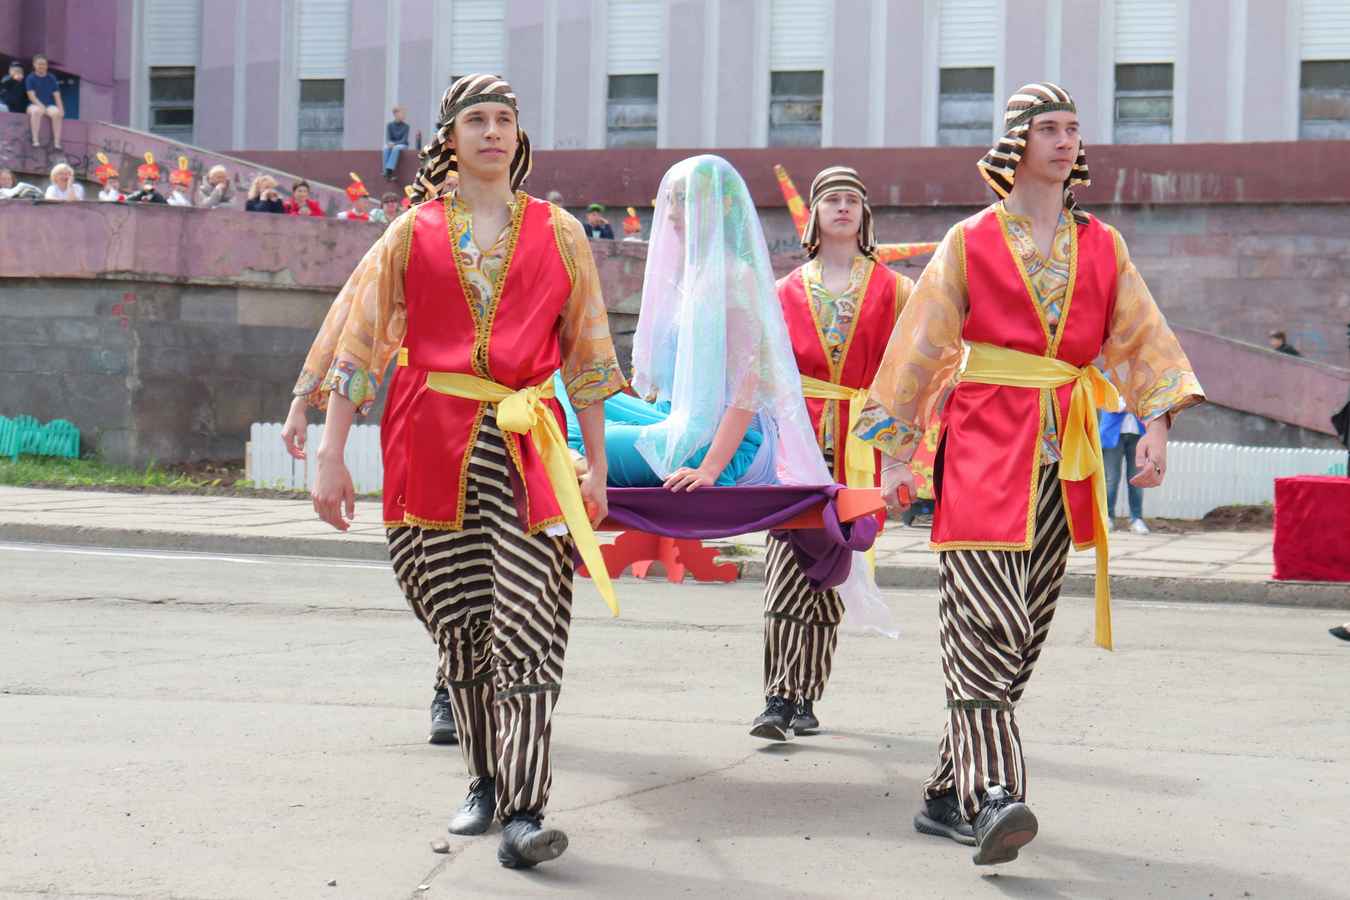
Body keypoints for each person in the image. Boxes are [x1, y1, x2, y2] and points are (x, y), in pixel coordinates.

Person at [856, 82, 1204, 867]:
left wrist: (1156, 424)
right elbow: (922, 345)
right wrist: (897, 454)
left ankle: (946, 791)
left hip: (1066, 458)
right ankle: (994, 796)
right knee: (987, 621)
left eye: (1073, 128)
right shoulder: (970, 240)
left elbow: (1140, 336)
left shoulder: (1104, 245)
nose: (1065, 140)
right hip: (984, 445)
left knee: (1027, 632)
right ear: (1016, 144)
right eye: (1049, 128)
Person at [284, 73, 624, 870]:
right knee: (461, 626)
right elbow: (361, 343)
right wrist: (331, 454)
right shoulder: (412, 233)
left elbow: (589, 354)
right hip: (430, 447)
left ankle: (526, 811)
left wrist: (599, 467)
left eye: (504, 119)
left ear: (518, 136)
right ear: (451, 138)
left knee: (529, 625)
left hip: (530, 448)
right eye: (477, 120)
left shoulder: (561, 232)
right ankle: (483, 780)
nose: (493, 131)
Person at [747, 166, 913, 741]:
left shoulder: (896, 291)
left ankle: (806, 696)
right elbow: (762, 377)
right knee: (783, 568)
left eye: (851, 200)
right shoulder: (783, 292)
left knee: (833, 572)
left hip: (859, 450)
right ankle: (776, 696)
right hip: (795, 450)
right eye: (831, 200)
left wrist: (899, 458)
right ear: (813, 215)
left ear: (865, 216)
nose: (842, 207)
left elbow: (908, 378)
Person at [1100, 408, 1148, 533]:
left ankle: (1136, 519)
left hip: (1138, 434)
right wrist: (1131, 404)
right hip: (1112, 433)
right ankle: (1107, 517)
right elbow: (1108, 402)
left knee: (1137, 480)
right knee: (1112, 480)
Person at [24, 54, 63, 149]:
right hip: (33, 105)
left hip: (48, 105)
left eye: (44, 64)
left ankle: (57, 143)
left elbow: (57, 95)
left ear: (47, 65)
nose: (41, 66)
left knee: (57, 113)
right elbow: (31, 96)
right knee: (37, 111)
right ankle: (35, 140)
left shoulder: (51, 78)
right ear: (34, 64)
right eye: (39, 64)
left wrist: (61, 109)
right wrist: (41, 106)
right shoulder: (30, 78)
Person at [383, 105, 410, 180]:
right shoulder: (390, 125)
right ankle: (385, 172)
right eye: (402, 113)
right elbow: (388, 138)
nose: (404, 115)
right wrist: (389, 143)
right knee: (386, 148)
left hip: (402, 145)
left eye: (404, 114)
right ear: (395, 114)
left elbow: (404, 140)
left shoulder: (406, 126)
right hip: (392, 144)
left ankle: (389, 170)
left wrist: (394, 144)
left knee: (396, 148)